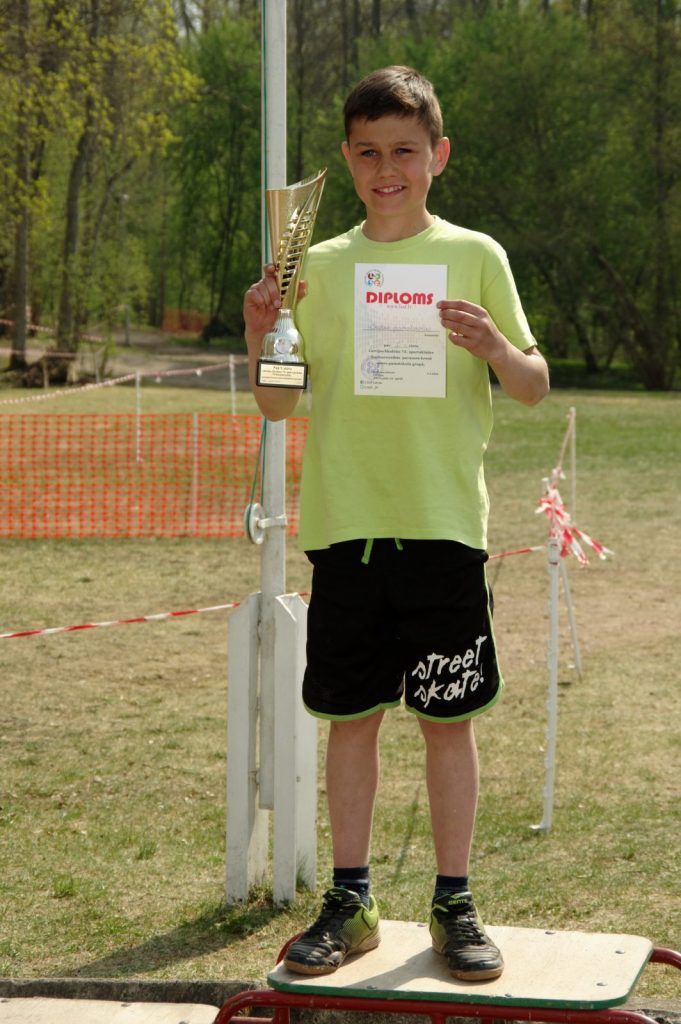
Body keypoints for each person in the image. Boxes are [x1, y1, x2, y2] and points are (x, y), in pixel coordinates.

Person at [243, 66, 549, 982]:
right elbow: (276, 404)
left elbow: (533, 386)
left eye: (405, 152)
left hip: (444, 527)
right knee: (352, 720)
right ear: (347, 158)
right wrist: (261, 332)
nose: (388, 170)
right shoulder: (312, 266)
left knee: (447, 723)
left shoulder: (475, 255)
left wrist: (494, 347)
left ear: (437, 156)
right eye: (369, 153)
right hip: (346, 529)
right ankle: (351, 900)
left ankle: (454, 902)